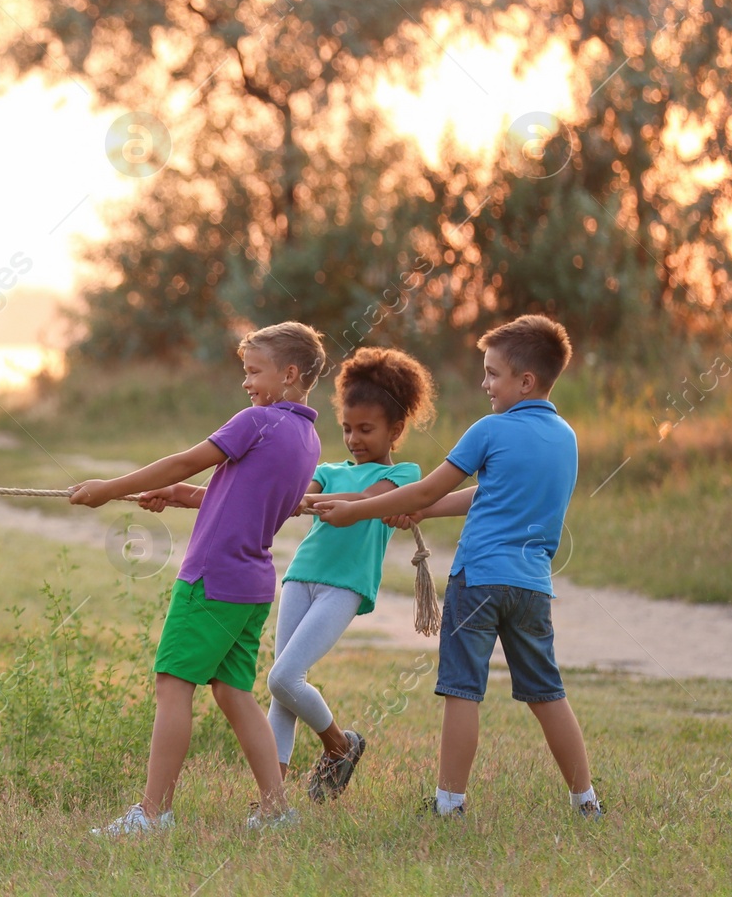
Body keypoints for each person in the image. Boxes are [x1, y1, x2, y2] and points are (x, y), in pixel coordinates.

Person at [314, 315, 603, 820]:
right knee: (548, 694)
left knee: (461, 690)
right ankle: (587, 801)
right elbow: (480, 496)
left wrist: (359, 509)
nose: (484, 383)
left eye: (492, 373)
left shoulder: (490, 429)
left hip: (479, 580)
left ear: (525, 381)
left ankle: (449, 804)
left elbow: (429, 486)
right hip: (531, 586)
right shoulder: (565, 437)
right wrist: (423, 512)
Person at [75, 322, 326, 834]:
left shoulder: (257, 422)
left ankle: (152, 813)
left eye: (254, 371)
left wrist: (109, 489)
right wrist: (180, 494)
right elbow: (242, 495)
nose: (246, 383)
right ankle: (277, 810)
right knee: (234, 692)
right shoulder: (307, 439)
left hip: (213, 578)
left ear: (290, 373)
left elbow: (188, 459)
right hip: (252, 583)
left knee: (173, 685)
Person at [271, 347, 436, 802]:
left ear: (395, 429)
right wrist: (297, 497)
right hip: (300, 576)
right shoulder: (327, 470)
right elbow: (302, 496)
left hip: (344, 586)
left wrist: (343, 506)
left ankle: (340, 746)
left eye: (366, 429)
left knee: (284, 678)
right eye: (347, 428)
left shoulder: (404, 475)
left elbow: (372, 500)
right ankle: (273, 798)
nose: (354, 439)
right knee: (280, 689)